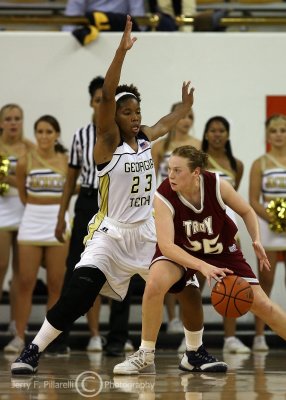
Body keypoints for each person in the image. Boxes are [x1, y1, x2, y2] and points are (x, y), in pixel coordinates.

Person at [10, 16, 216, 375]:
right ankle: (31, 351)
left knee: (189, 287)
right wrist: (120, 53)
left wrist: (183, 109)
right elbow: (107, 94)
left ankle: (194, 353)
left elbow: (165, 124)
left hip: (148, 232)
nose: (135, 117)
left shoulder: (144, 138)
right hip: (112, 232)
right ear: (113, 117)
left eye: (137, 111)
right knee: (79, 293)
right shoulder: (106, 145)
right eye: (127, 112)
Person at [113, 145, 286, 375]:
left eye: (177, 170)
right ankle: (145, 354)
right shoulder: (163, 194)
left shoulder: (216, 184)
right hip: (180, 249)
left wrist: (256, 239)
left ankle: (192, 354)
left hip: (221, 250)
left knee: (265, 306)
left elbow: (246, 211)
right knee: (154, 284)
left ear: (196, 173)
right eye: (169, 170)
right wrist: (202, 266)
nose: (170, 176)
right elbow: (166, 246)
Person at [5, 115, 69, 355]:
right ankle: (19, 336)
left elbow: (68, 191)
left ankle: (47, 340)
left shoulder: (65, 160)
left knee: (55, 283)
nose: (44, 136)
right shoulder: (25, 161)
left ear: (56, 135)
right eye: (40, 132)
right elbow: (23, 195)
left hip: (58, 222)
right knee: (24, 282)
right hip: (31, 220)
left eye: (49, 132)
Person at [53, 76, 105, 354]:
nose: (101, 104)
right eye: (98, 100)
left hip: (112, 204)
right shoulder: (80, 136)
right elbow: (71, 178)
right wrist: (61, 214)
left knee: (119, 268)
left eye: (105, 100)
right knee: (75, 267)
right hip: (86, 200)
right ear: (91, 102)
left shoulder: (121, 134)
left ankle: (117, 338)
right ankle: (61, 336)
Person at [199, 116, 250, 354]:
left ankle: (230, 338)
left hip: (228, 229)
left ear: (227, 135)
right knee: (195, 284)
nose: (217, 134)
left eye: (222, 131)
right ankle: (191, 339)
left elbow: (232, 199)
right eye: (213, 130)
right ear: (206, 134)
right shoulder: (197, 161)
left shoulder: (237, 164)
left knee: (231, 284)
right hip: (200, 227)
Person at [152, 105, 200, 338]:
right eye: (181, 116)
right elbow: (150, 180)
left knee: (188, 265)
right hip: (164, 206)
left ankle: (188, 322)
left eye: (190, 116)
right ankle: (171, 318)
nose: (185, 121)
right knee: (165, 260)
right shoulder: (159, 146)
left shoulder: (197, 146)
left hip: (186, 208)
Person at [249, 114, 286, 352]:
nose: (279, 135)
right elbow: (253, 199)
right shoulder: (259, 163)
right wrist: (274, 218)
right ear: (267, 135)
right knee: (266, 281)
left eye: (283, 130)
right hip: (269, 226)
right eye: (274, 131)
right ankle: (259, 335)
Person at [0, 104, 34, 353]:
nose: (13, 123)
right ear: (1, 122)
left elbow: (32, 178)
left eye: (17, 119)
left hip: (24, 210)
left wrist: (12, 179)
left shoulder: (30, 148)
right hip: (2, 209)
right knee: (1, 265)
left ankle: (16, 325)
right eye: (9, 119)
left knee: (22, 273)